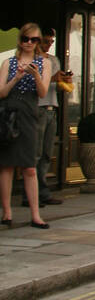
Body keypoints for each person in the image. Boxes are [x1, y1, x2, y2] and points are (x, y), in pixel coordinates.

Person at [0, 24, 50, 228]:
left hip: (30, 113)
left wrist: (35, 74)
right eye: (25, 39)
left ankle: (35, 214)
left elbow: (43, 92)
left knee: (30, 166)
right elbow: (2, 92)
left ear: (38, 42)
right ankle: (7, 213)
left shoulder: (43, 63)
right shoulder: (8, 63)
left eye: (34, 40)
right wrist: (17, 77)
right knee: (6, 166)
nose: (29, 43)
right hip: (10, 113)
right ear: (20, 40)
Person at [36, 27, 67, 206]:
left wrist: (64, 80)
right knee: (36, 153)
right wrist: (52, 79)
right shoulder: (33, 61)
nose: (48, 45)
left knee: (47, 152)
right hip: (37, 108)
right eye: (46, 41)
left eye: (51, 42)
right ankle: (34, 193)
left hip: (51, 107)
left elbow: (56, 83)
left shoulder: (54, 60)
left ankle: (42, 190)